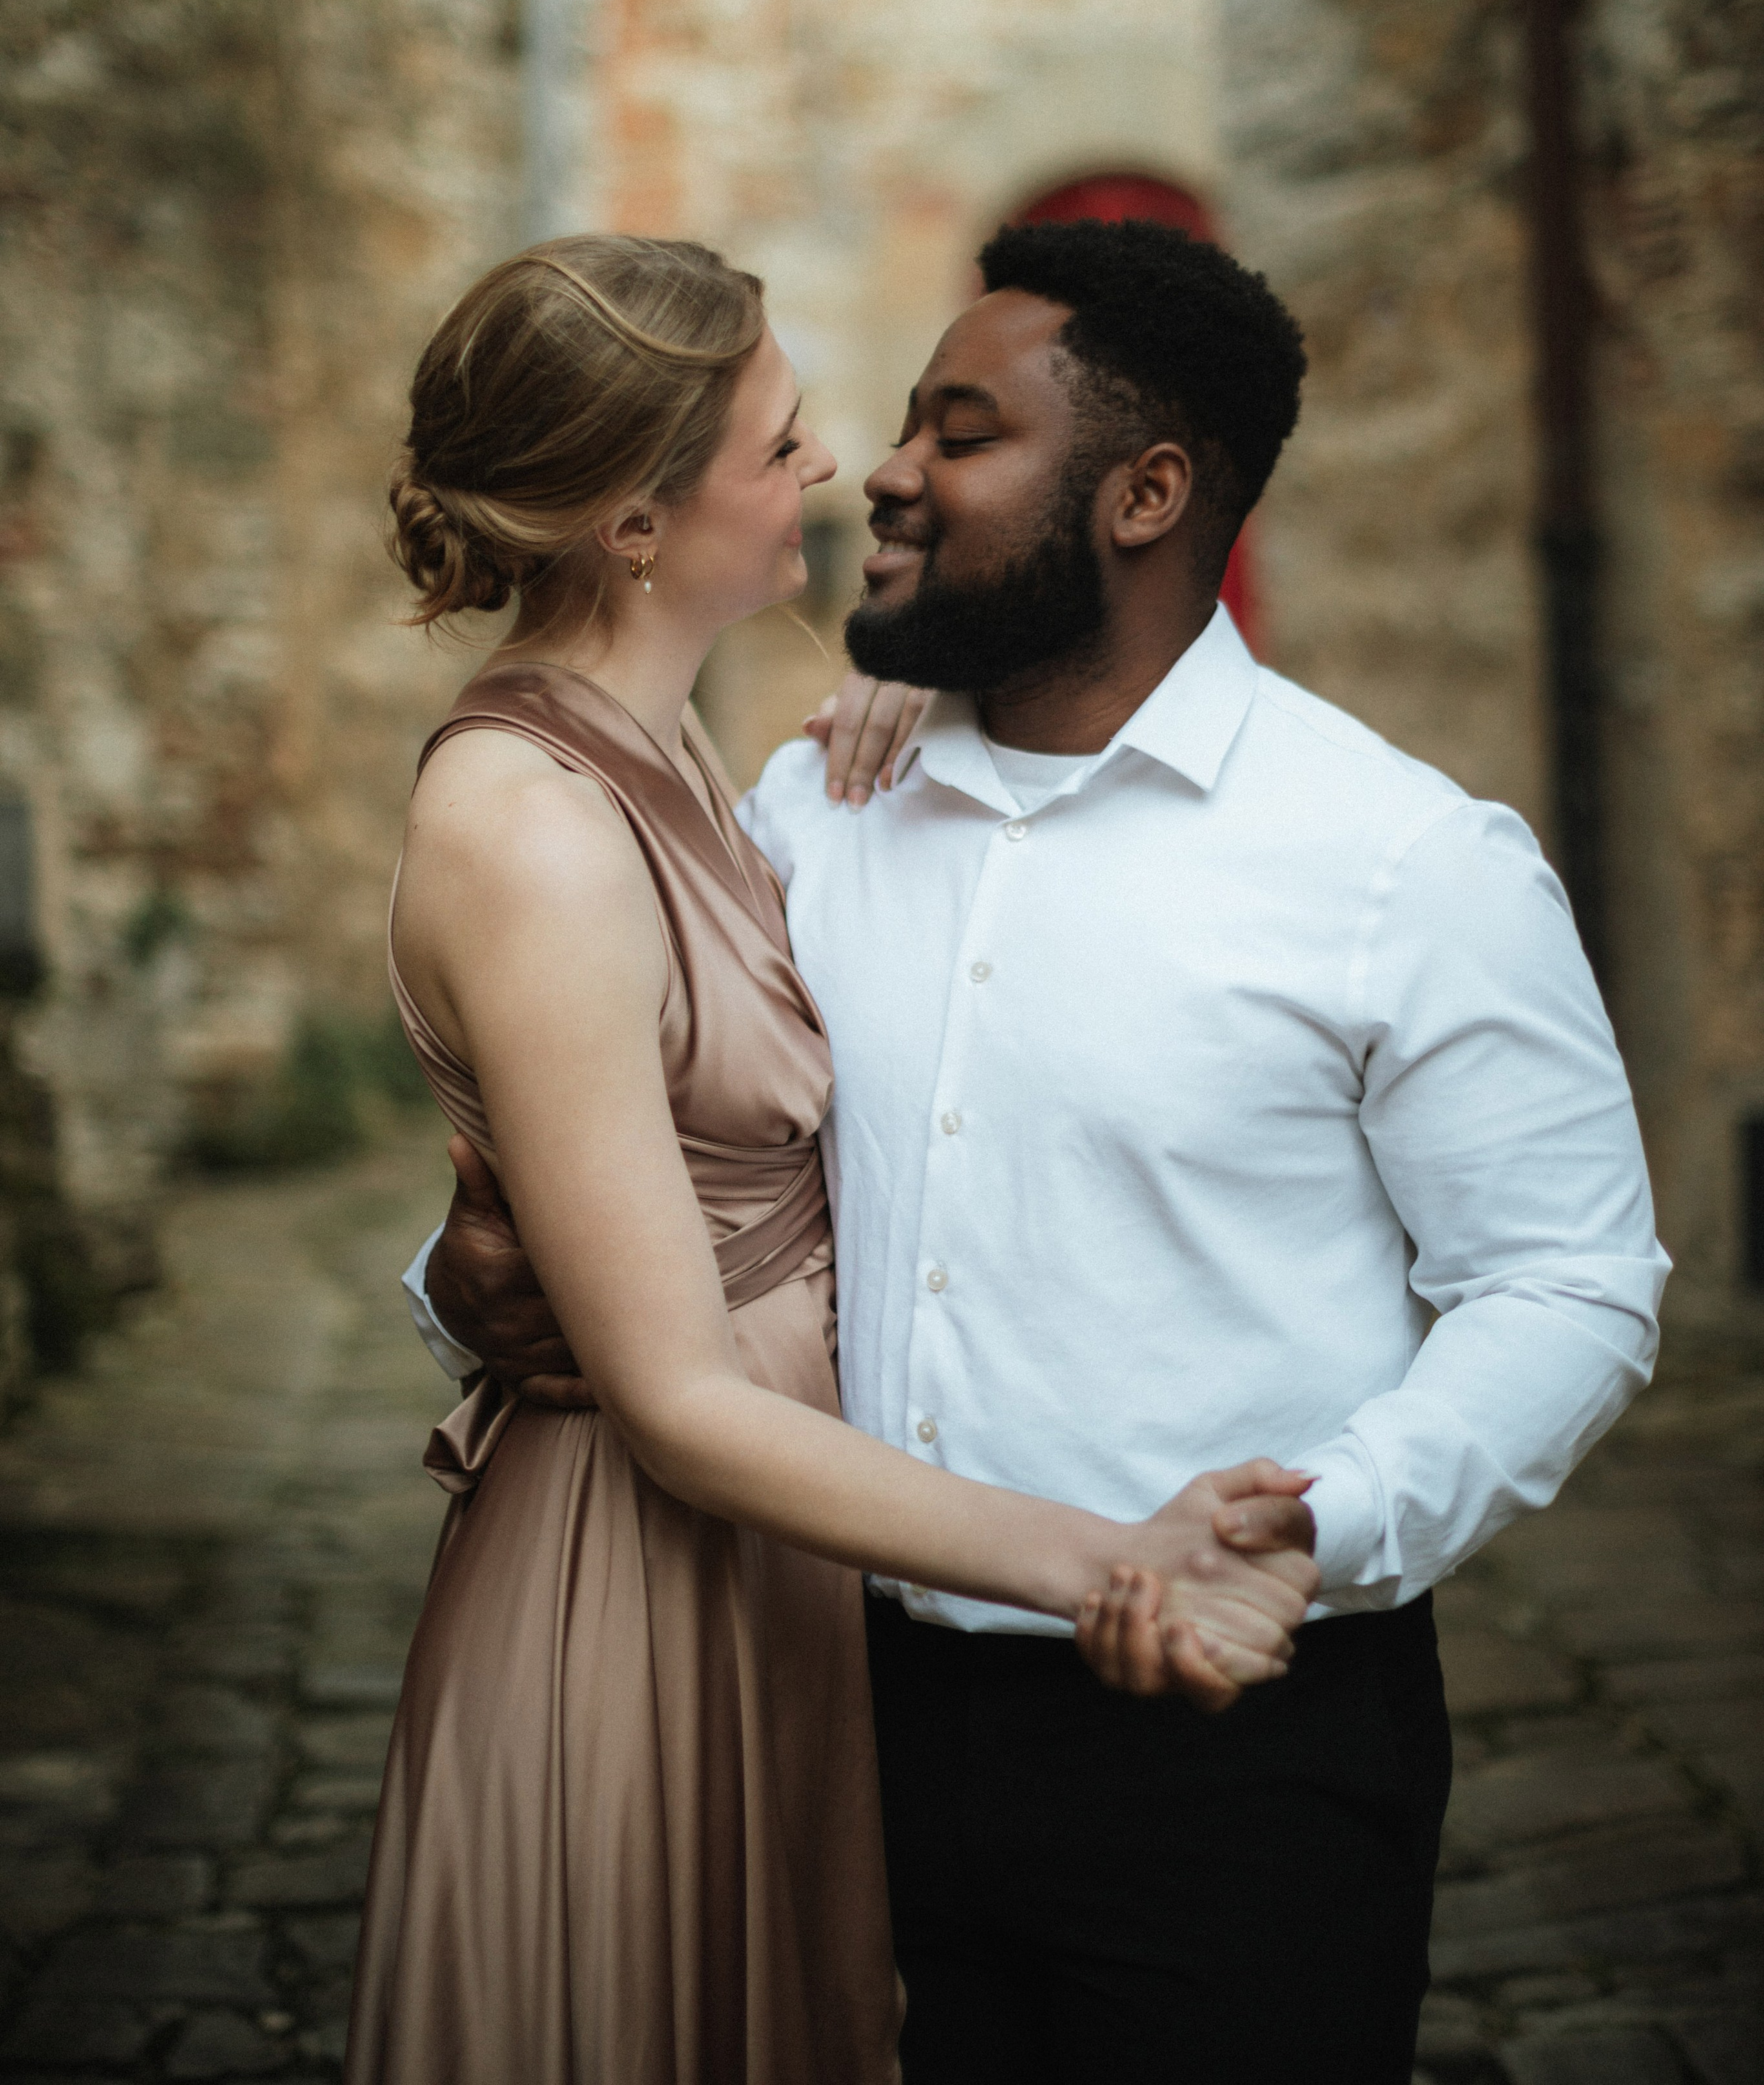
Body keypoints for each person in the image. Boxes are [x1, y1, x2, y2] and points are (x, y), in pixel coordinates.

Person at [418, 218, 1670, 2085]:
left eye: (962, 428)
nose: (889, 474)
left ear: (1146, 493)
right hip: (837, 1710)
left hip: (1230, 1752)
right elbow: (656, 1165)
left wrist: (1317, 1521)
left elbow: (1568, 1281)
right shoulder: (810, 813)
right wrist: (467, 1281)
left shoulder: (1405, 861)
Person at [345, 233, 1322, 2085]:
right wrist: (1113, 1563)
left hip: (777, 1583)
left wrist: (941, 689)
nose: (833, 476)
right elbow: (682, 1397)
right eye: (780, 445)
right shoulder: (531, 823)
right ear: (636, 520)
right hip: (632, 1587)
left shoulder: (695, 757)